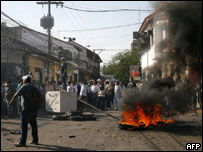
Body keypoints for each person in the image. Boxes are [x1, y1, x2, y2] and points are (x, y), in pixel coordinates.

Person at [9, 75, 40, 147]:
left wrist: (11, 102)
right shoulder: (34, 87)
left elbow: (16, 94)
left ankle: (22, 142)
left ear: (25, 80)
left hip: (26, 109)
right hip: (34, 108)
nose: (22, 81)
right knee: (33, 125)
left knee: (24, 126)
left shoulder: (24, 86)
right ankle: (35, 140)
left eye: (23, 80)